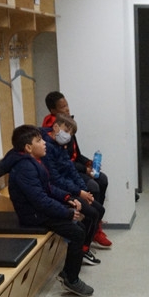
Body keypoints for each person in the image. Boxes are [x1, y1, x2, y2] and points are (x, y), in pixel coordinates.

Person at [2, 125, 94, 297]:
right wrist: (66, 213)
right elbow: (40, 200)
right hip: (32, 215)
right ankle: (71, 279)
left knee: (79, 228)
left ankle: (68, 273)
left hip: (38, 210)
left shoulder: (33, 162)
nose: (44, 143)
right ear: (28, 147)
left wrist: (67, 198)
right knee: (77, 232)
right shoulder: (25, 168)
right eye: (39, 141)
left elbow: (48, 188)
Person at [42, 90, 112, 246]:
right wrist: (81, 188)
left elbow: (74, 157)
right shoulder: (52, 138)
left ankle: (93, 230)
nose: (67, 109)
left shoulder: (66, 128)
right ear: (53, 111)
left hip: (70, 174)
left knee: (101, 180)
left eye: (67, 105)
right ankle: (90, 235)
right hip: (61, 184)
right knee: (94, 187)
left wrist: (88, 164)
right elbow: (58, 172)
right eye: (63, 107)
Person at [41, 115, 106, 266]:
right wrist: (78, 192)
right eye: (66, 130)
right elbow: (55, 179)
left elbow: (71, 170)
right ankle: (81, 251)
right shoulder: (47, 148)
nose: (68, 136)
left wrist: (84, 190)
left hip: (70, 188)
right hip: (58, 191)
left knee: (99, 210)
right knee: (92, 213)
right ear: (56, 127)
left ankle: (84, 248)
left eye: (71, 133)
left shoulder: (60, 145)